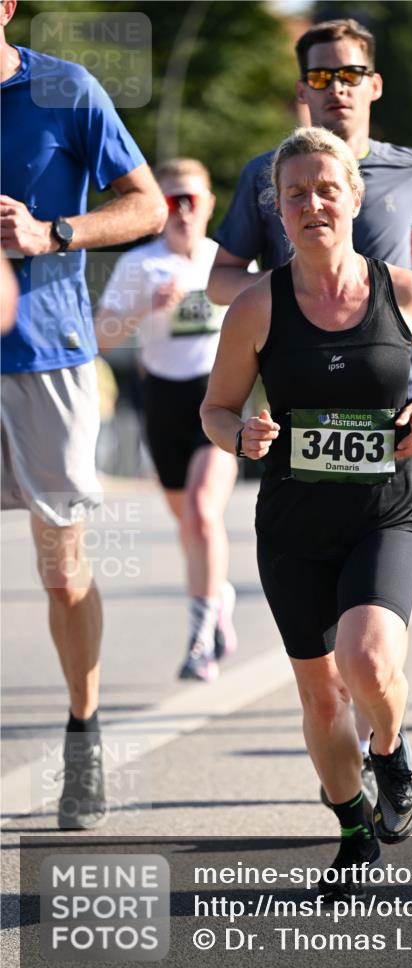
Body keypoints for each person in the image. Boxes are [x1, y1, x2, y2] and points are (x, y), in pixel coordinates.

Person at [206, 15, 412, 806]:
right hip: (293, 504)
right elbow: (215, 406)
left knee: (369, 659)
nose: (312, 204)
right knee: (321, 697)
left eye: (348, 74)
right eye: (296, 197)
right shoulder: (261, 253)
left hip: (388, 457)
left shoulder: (406, 177)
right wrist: (263, 316)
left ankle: (400, 735)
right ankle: (352, 829)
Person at [0, 0, 167, 829]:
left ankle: (83, 728)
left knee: (62, 570)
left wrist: (51, 231)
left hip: (45, 356)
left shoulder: (64, 90)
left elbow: (149, 207)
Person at [96, 158, 238, 680]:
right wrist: (144, 308)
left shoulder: (223, 262)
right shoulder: (141, 265)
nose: (181, 210)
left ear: (208, 206)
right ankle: (217, 595)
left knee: (203, 512)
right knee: (189, 526)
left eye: (191, 200)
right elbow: (101, 338)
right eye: (172, 200)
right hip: (163, 401)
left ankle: (201, 638)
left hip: (219, 399)